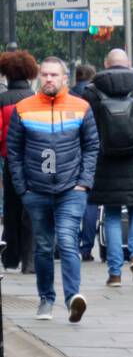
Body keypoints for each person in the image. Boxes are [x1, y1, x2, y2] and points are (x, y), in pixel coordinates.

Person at [7, 57, 99, 322]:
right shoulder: (23, 108)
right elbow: (13, 151)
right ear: (39, 77)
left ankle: (73, 299)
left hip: (71, 188)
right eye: (44, 75)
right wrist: (22, 187)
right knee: (45, 246)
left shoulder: (81, 107)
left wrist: (84, 182)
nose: (48, 79)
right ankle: (46, 299)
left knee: (69, 241)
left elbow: (92, 146)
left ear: (64, 79)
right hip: (35, 189)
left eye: (54, 75)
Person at [81, 49, 133, 286]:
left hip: (105, 161)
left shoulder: (92, 93)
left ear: (106, 65)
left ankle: (115, 272)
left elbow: (81, 127)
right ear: (128, 64)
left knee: (112, 213)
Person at [0, 50, 37, 273]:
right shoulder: (37, 99)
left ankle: (11, 256)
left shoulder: (2, 100)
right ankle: (30, 259)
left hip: (10, 161)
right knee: (32, 208)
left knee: (11, 208)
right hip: (35, 161)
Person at [70, 64, 101, 261]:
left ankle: (69, 245)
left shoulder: (69, 96)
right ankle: (86, 247)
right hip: (92, 152)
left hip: (70, 153)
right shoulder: (97, 96)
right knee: (91, 202)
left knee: (70, 202)